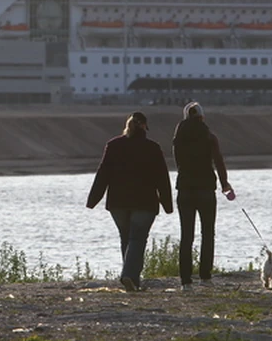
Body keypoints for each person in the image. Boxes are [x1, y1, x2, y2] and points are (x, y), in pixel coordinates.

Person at [86, 111, 173, 292]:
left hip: (118, 202)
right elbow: (162, 178)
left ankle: (132, 280)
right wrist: (167, 204)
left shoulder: (113, 145)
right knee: (137, 239)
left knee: (127, 238)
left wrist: (93, 199)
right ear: (144, 127)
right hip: (145, 202)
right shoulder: (152, 148)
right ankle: (130, 276)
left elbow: (103, 174)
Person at [172, 102, 232, 290]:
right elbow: (219, 162)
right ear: (202, 117)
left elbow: (178, 163)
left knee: (186, 235)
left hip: (185, 189)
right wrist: (225, 184)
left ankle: (186, 282)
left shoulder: (178, 138)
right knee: (208, 233)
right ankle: (205, 278)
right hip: (206, 189)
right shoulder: (209, 137)